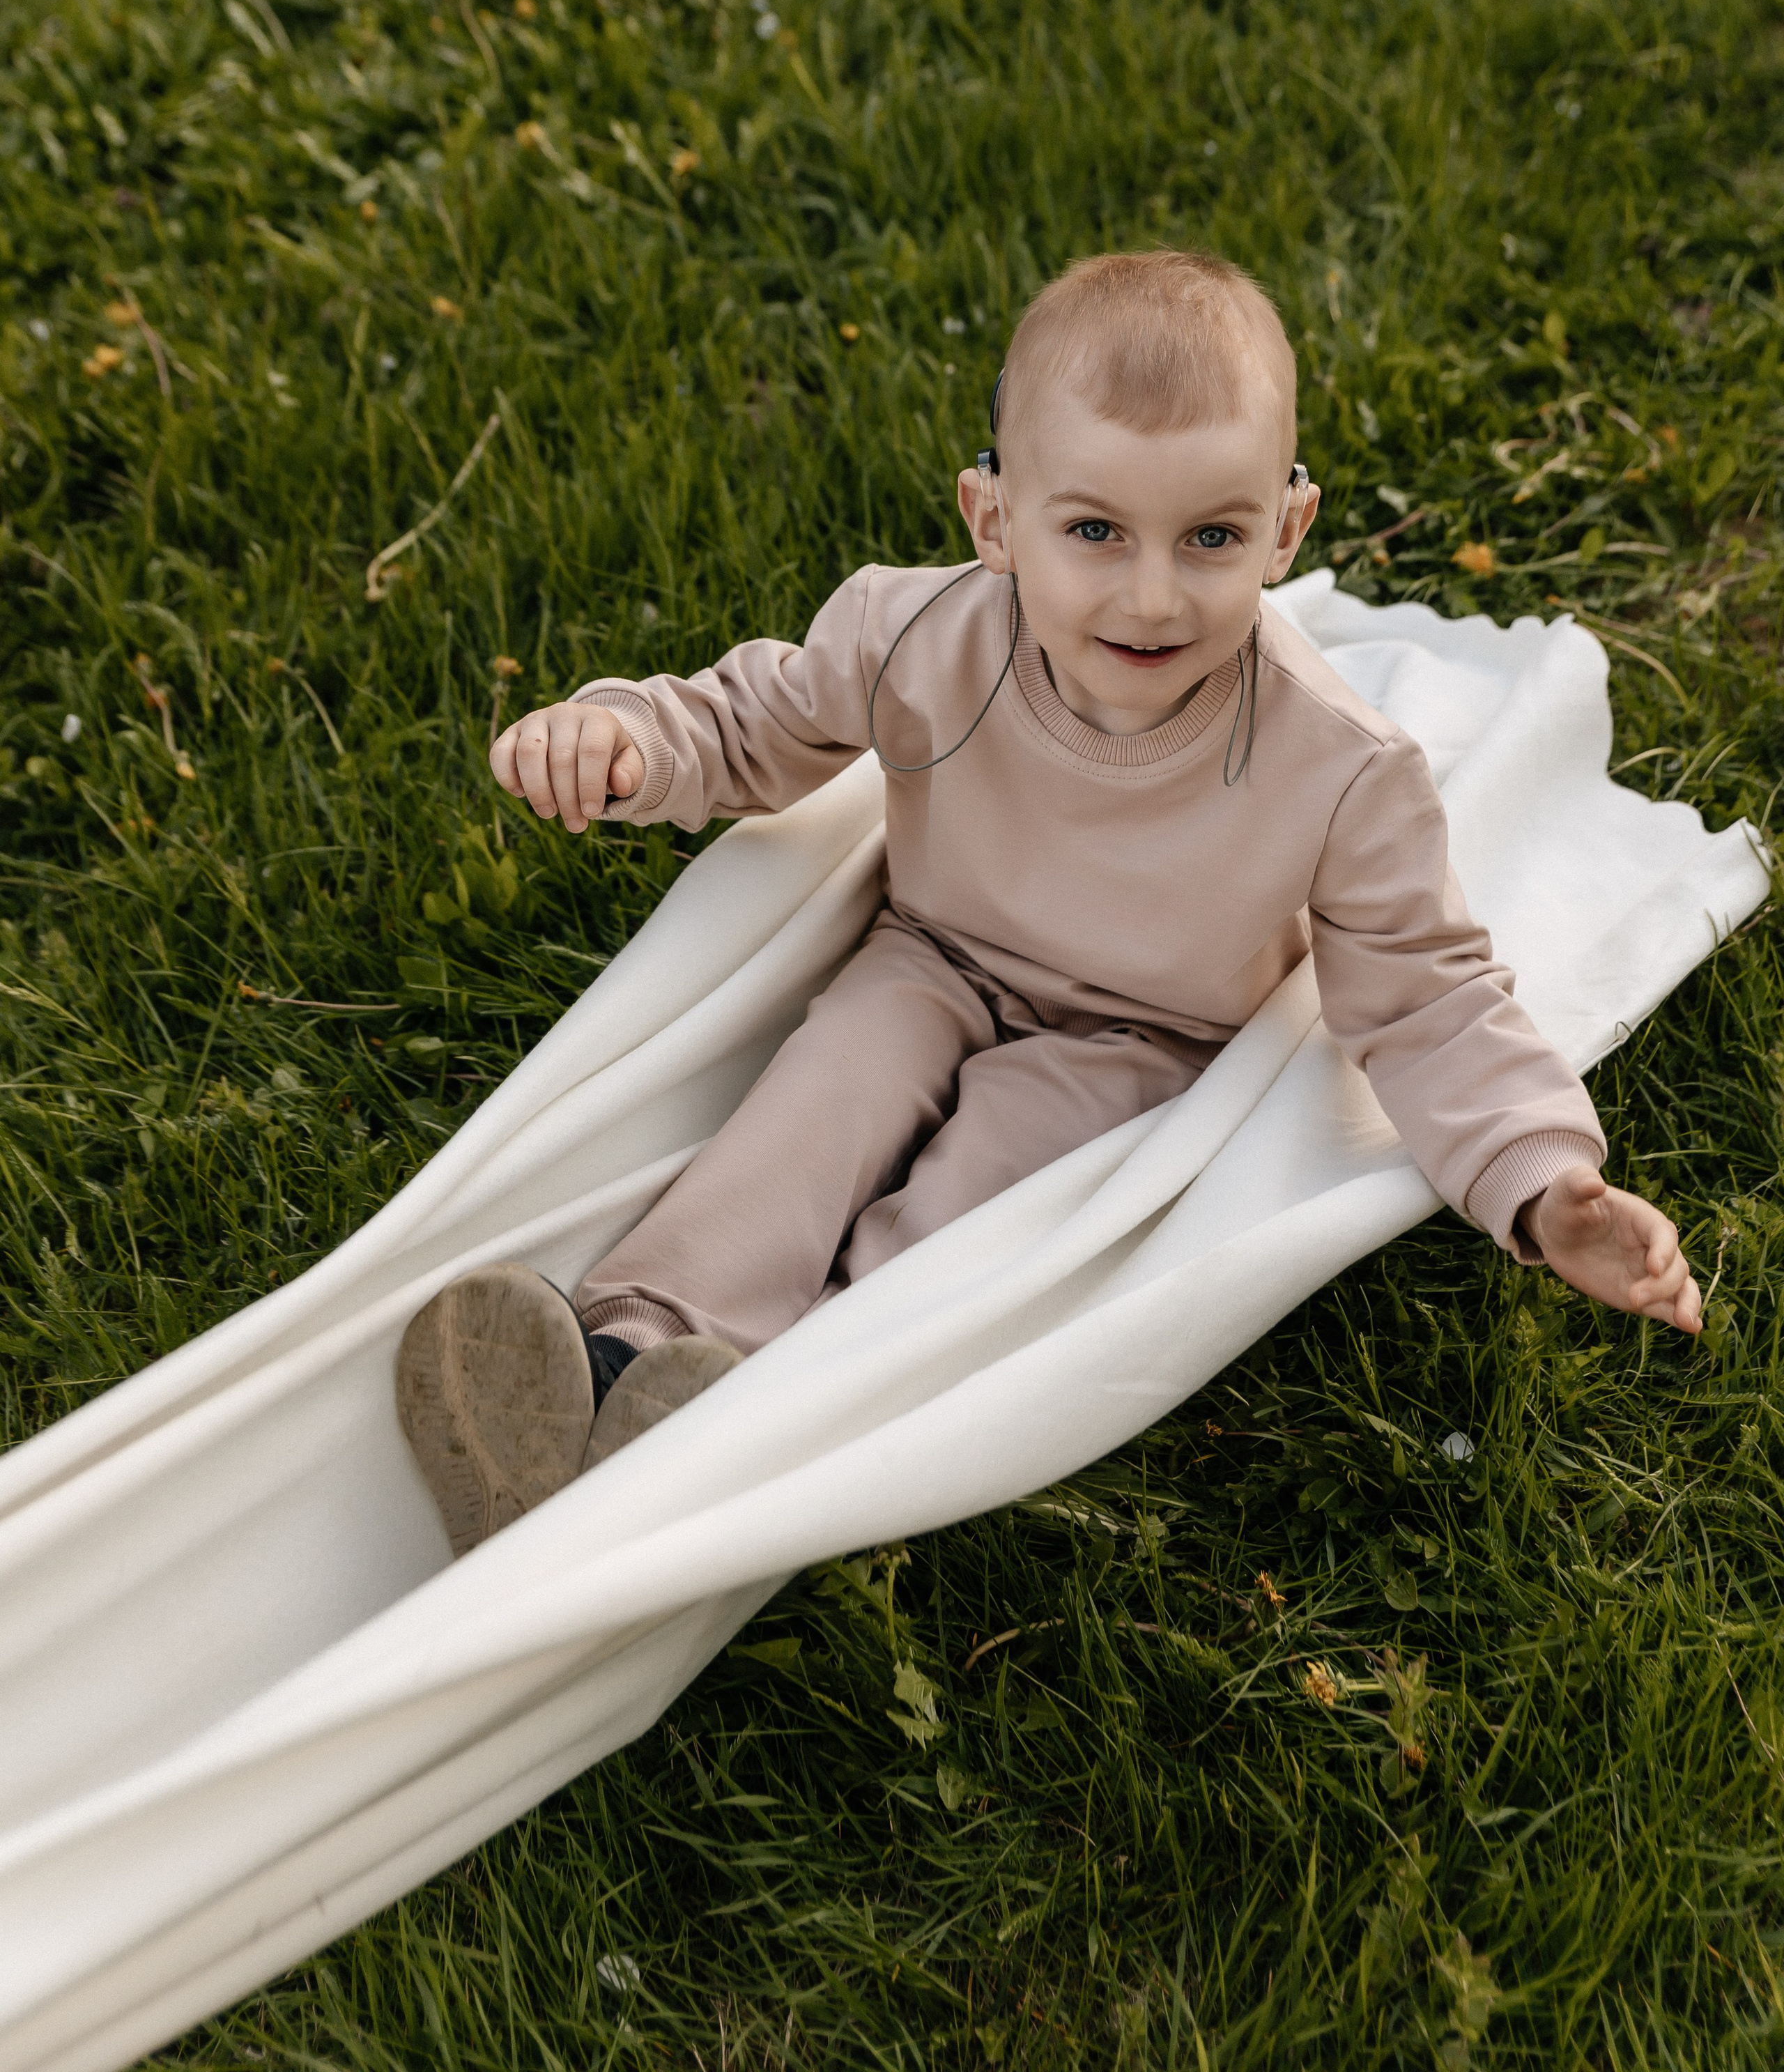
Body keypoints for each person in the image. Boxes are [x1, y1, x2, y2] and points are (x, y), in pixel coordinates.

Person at [396, 249, 1701, 1558]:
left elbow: (1428, 997)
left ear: (1286, 532)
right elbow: (756, 723)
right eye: (1093, 532)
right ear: (993, 518)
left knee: (969, 1211)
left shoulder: (1339, 769)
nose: (1151, 594)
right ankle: (628, 1353)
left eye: (1213, 538)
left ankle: (764, 1412)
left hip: (1135, 1036)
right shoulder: (918, 635)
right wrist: (623, 737)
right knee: (814, 1106)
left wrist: (1545, 1183)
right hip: (935, 956)